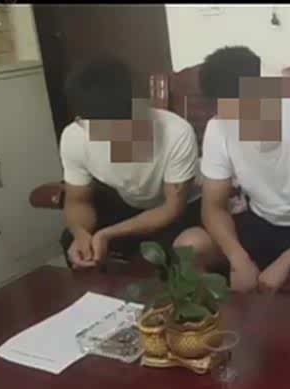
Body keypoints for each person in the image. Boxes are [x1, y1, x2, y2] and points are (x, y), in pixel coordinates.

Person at [173, 46, 290, 307]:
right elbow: (213, 208)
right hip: (259, 221)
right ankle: (213, 324)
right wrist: (238, 258)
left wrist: (286, 261)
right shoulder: (219, 127)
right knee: (188, 245)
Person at [59, 57, 201, 270]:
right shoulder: (75, 136)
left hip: (178, 209)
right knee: (71, 241)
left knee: (169, 254)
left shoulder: (176, 132)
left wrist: (107, 234)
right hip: (129, 204)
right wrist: (81, 234)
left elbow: (172, 207)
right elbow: (78, 200)